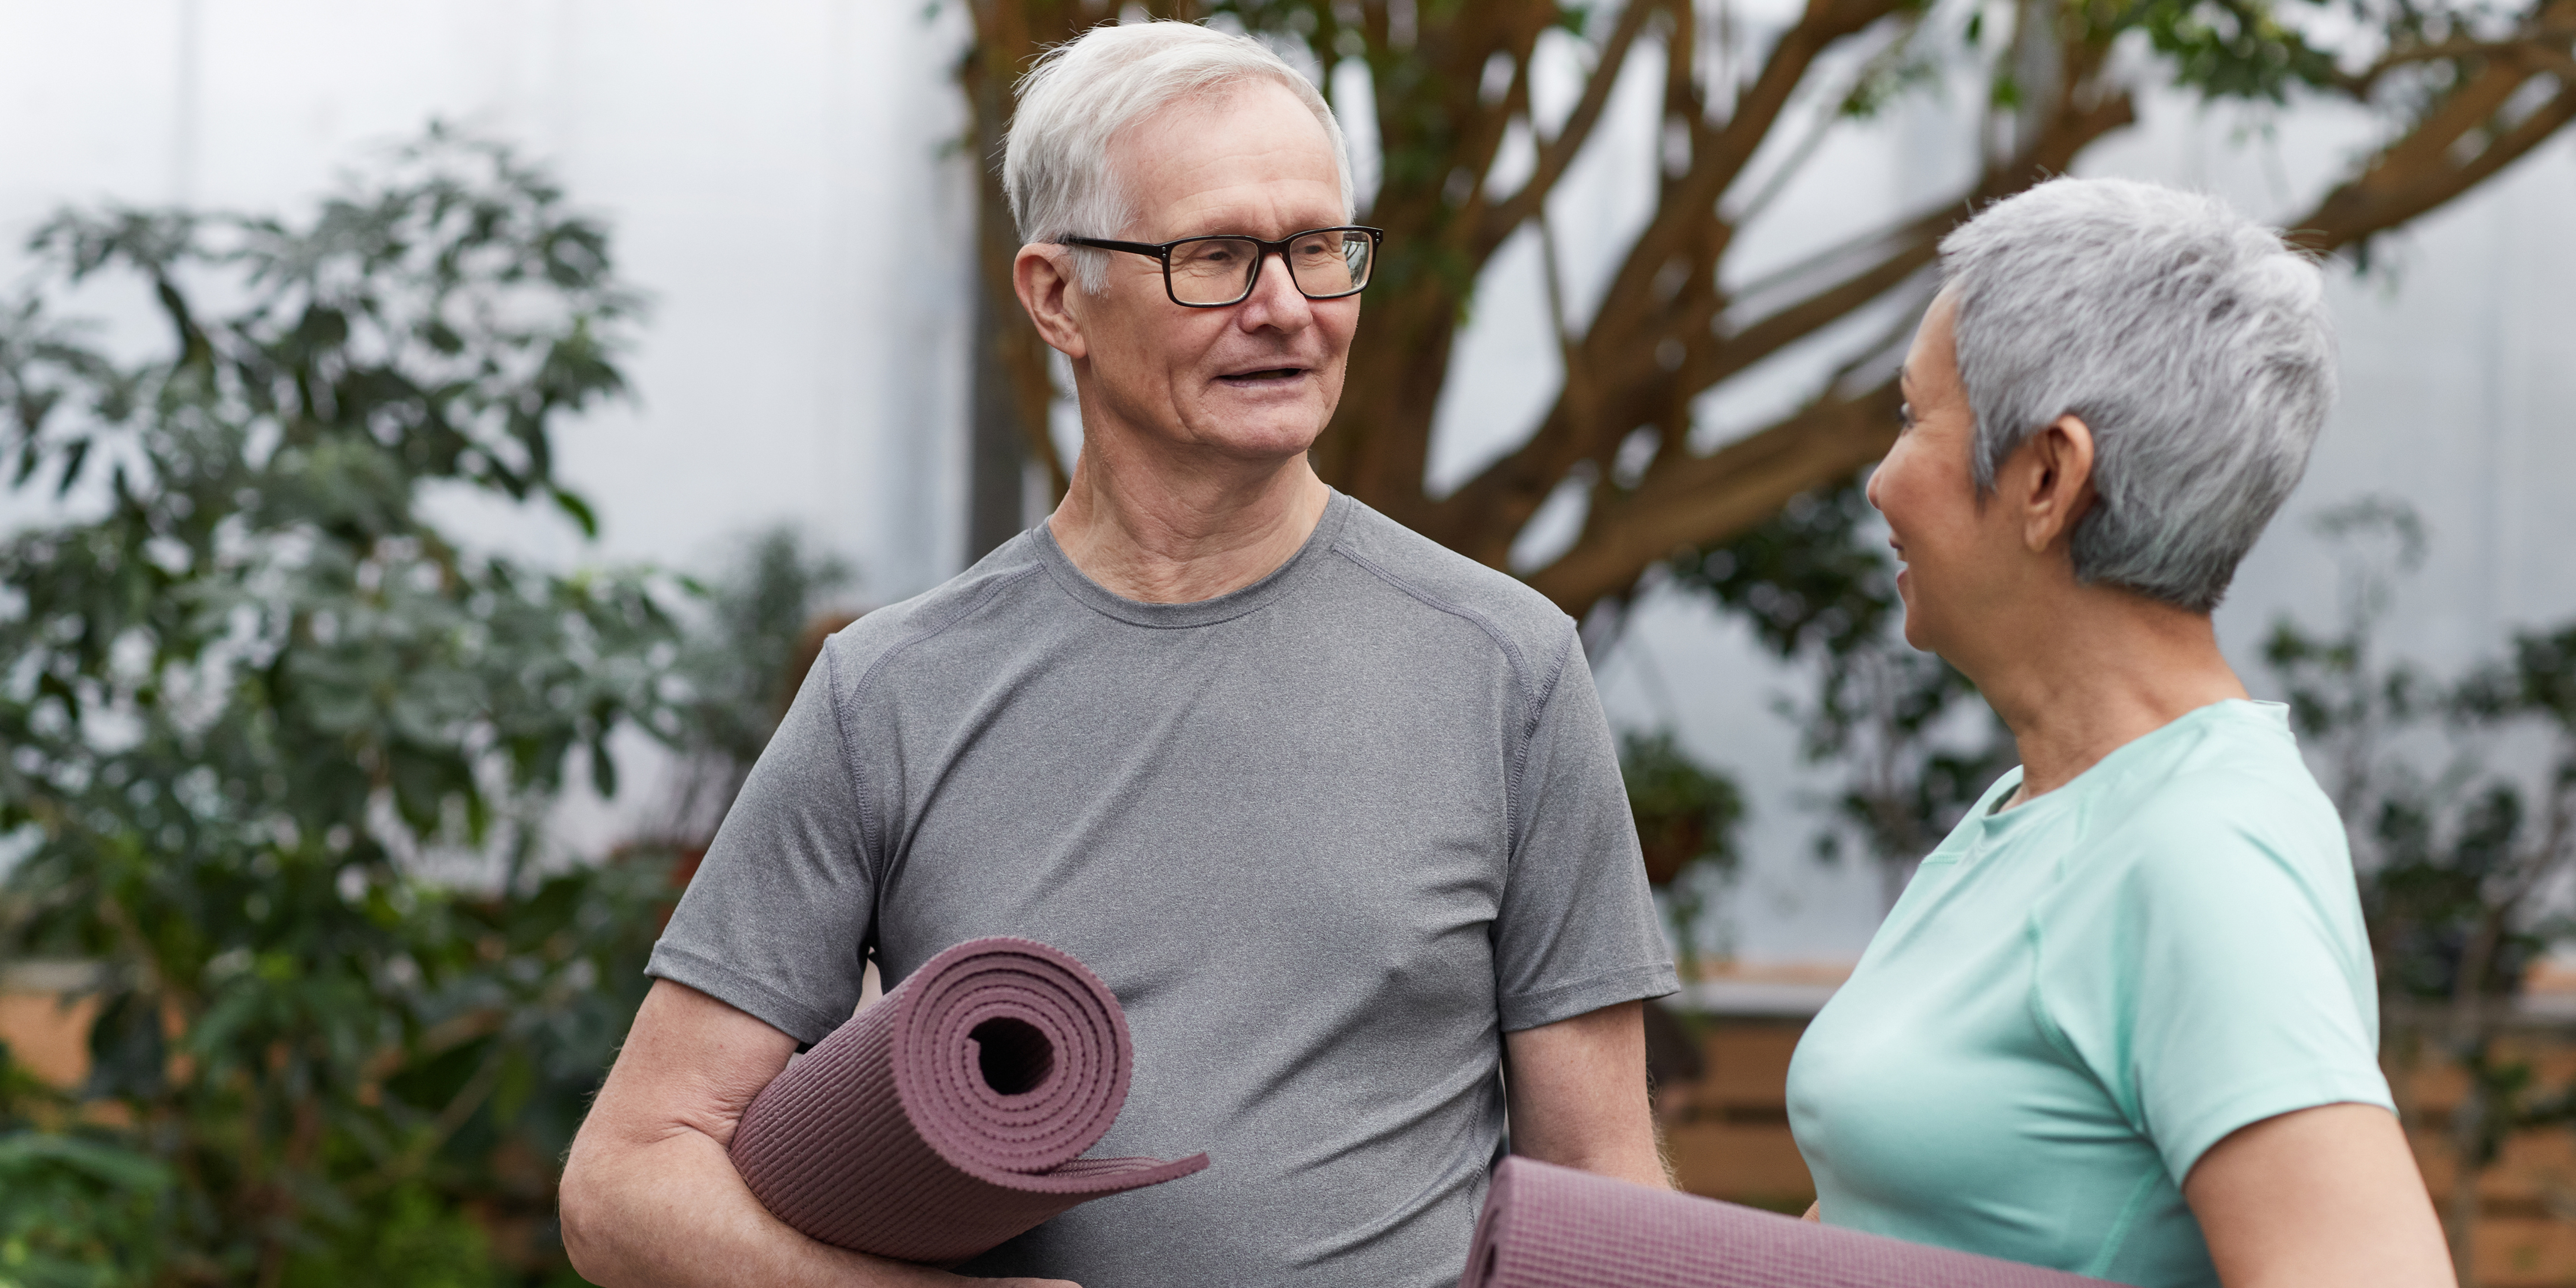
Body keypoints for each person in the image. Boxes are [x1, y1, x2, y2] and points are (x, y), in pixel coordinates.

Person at [559, 20, 1676, 1288]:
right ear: (1055, 297)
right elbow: (626, 1179)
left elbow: (1602, 1194)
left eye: (1321, 250)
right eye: (1216, 255)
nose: (1287, 310)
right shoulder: (892, 694)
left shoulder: (1507, 671)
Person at [1782, 176, 2453, 1288]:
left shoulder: (2201, 851)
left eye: (1913, 418)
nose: (1878, 481)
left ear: (2048, 476)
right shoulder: (2042, 809)